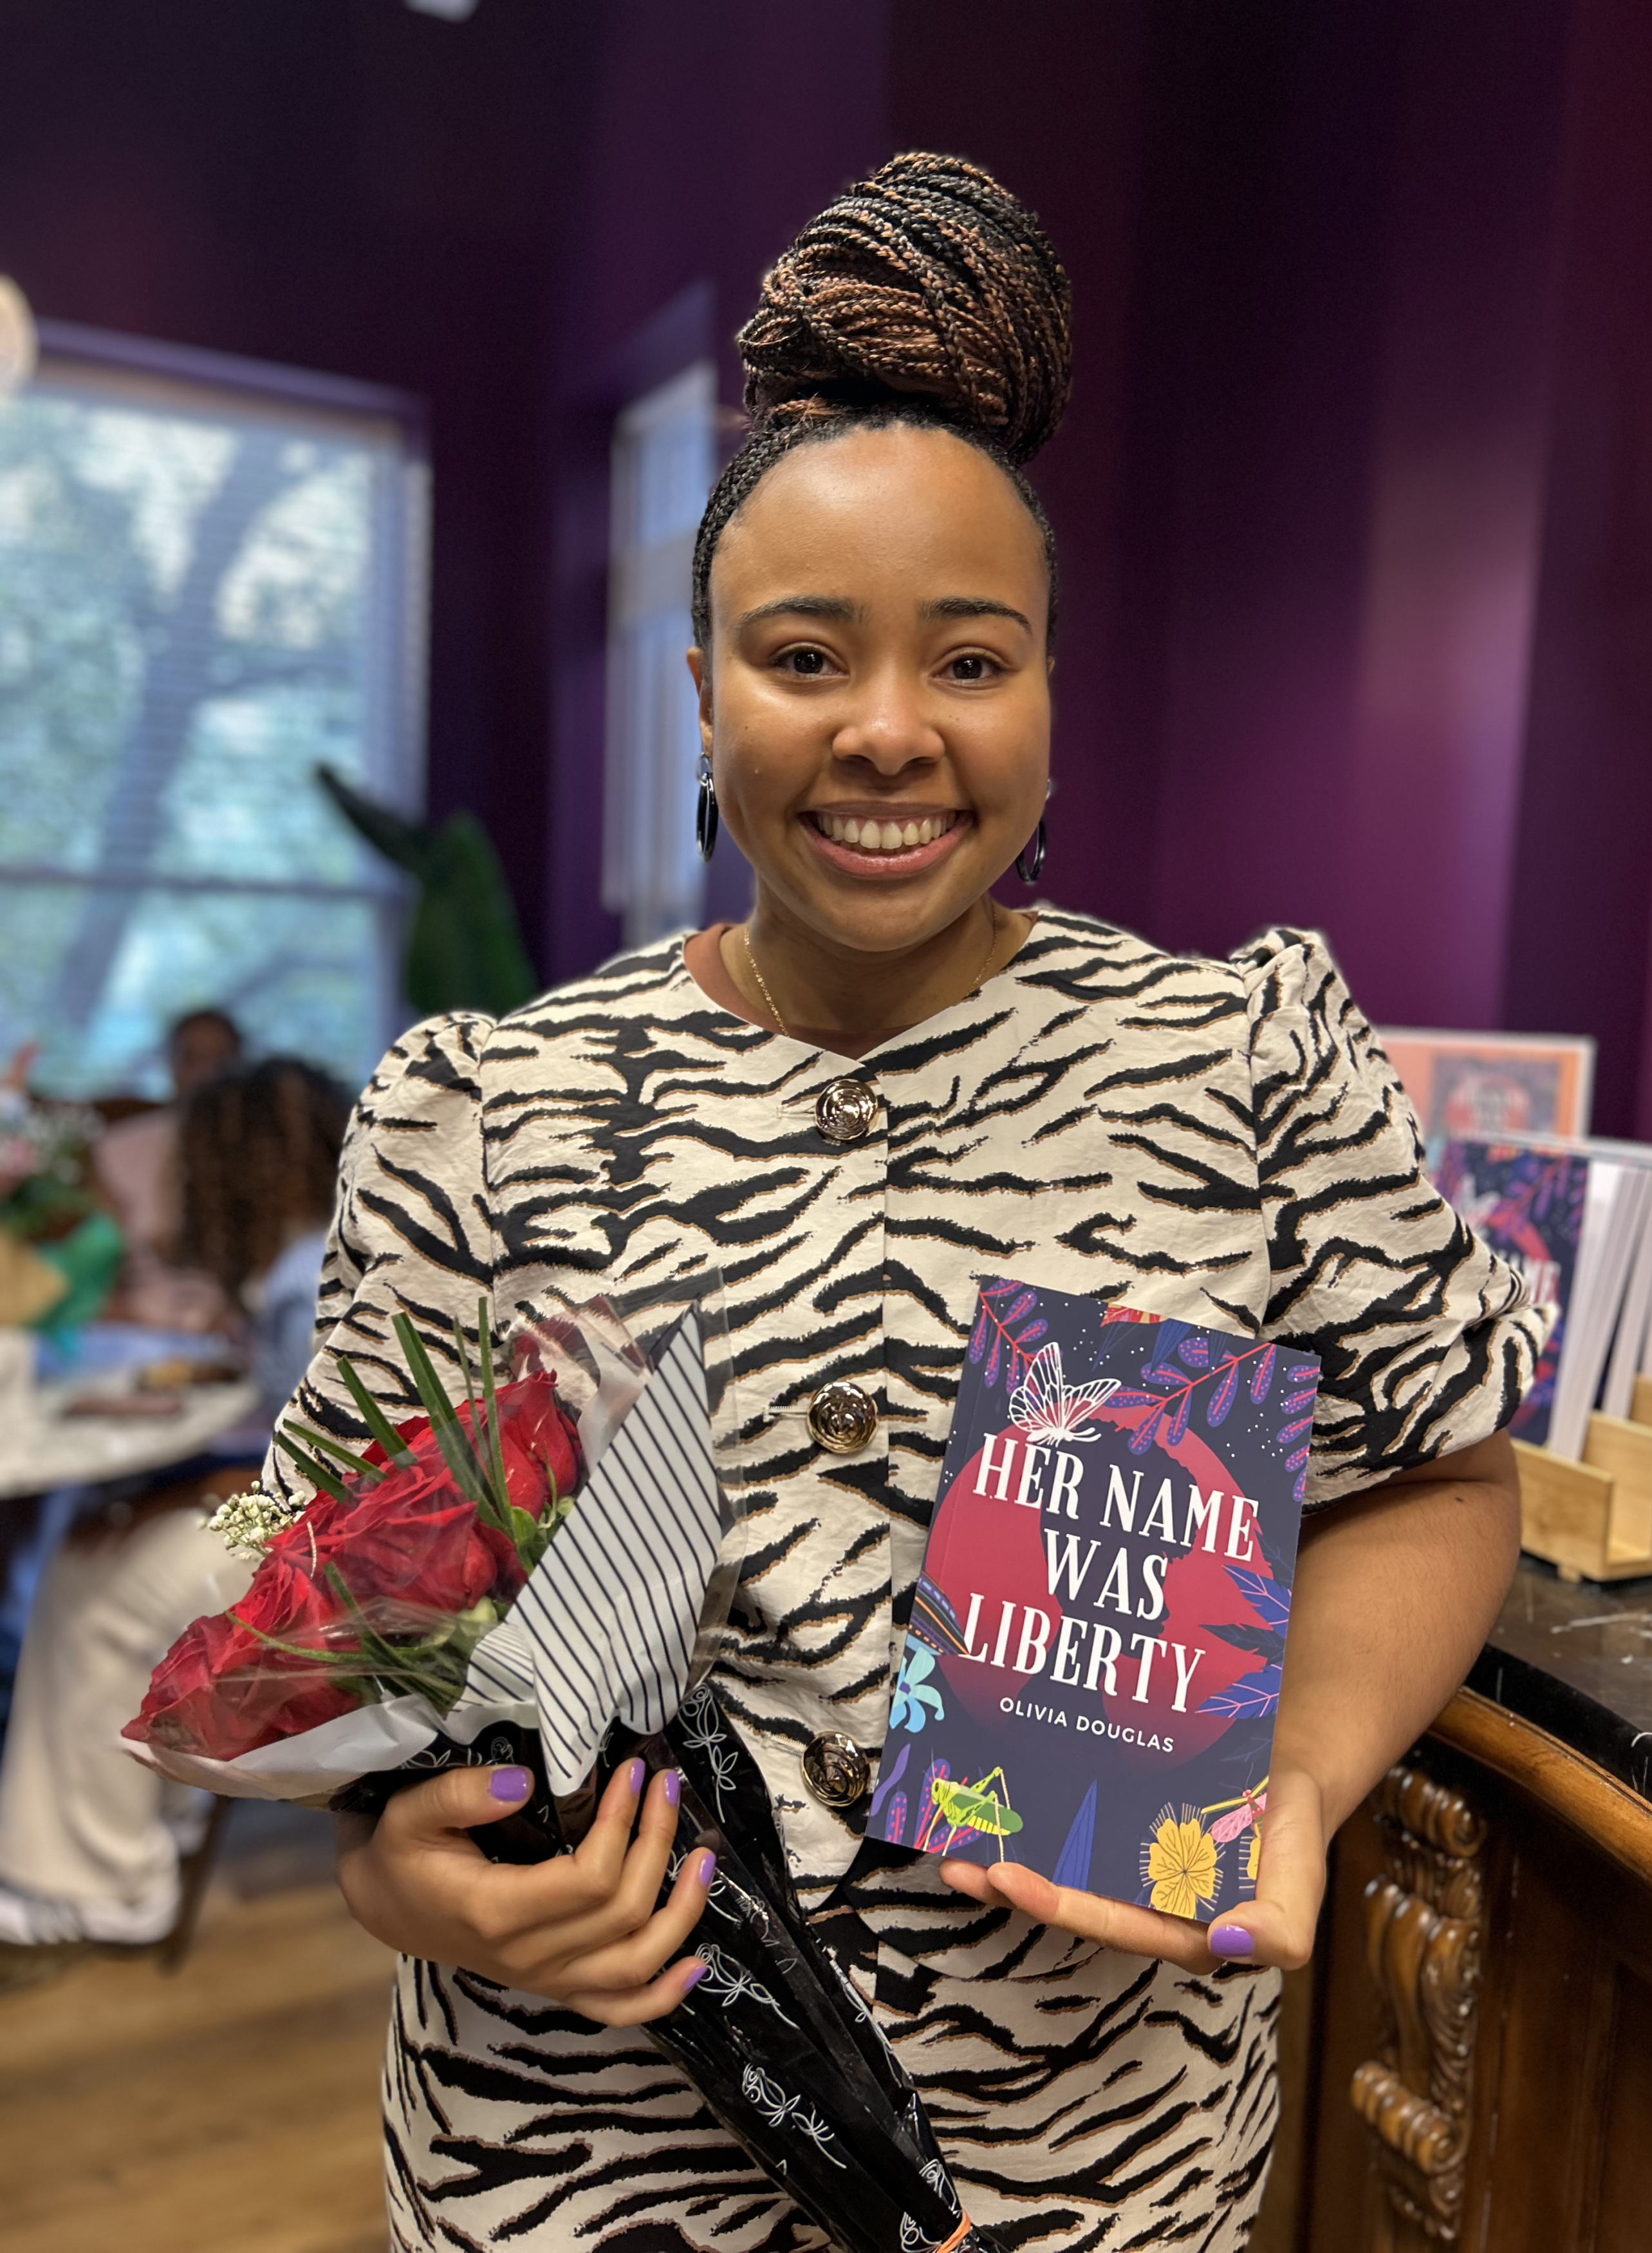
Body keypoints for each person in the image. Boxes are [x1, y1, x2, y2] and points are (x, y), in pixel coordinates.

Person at [272, 156, 1544, 2252]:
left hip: (1091, 2167)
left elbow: (1430, 1472)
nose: (887, 732)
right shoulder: (478, 1107)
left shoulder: (1244, 1061)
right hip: (583, 2162)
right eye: (801, 656)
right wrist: (386, 1866)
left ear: (1047, 694)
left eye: (969, 660)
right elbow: (315, 1580)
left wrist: (1296, 1781)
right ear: (700, 693)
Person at [0, 1056, 348, 1950]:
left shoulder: (304, 1278)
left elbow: (313, 1480)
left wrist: (175, 1498)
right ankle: (152, 1805)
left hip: (323, 1549)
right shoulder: (316, 1254)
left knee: (104, 1575)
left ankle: (105, 1883)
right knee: (107, 1530)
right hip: (318, 1525)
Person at [95, 1005, 243, 1333]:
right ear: (170, 1066)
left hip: (233, 1324)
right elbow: (100, 1268)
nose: (207, 1073)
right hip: (135, 1320)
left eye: (222, 1060)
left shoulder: (266, 1152)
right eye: (191, 1059)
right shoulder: (119, 1147)